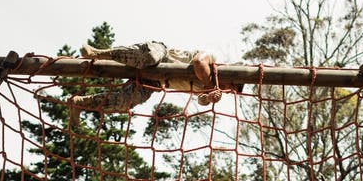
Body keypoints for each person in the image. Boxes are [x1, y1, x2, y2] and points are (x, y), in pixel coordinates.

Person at [70, 41, 244, 121]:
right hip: (162, 56)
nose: (229, 88)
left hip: (156, 82)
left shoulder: (208, 88)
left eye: (233, 90)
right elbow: (199, 63)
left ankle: (81, 103)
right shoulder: (211, 61)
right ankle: (98, 53)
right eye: (233, 85)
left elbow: (201, 100)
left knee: (127, 102)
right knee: (148, 57)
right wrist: (210, 87)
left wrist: (209, 98)